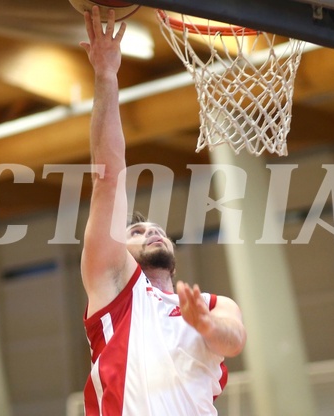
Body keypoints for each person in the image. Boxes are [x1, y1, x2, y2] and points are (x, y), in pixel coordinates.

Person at [79, 6, 247, 415]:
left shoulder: (210, 304)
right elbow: (108, 176)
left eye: (157, 230)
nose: (152, 232)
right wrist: (106, 77)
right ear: (124, 251)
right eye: (137, 232)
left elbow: (234, 340)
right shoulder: (114, 288)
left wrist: (205, 325)